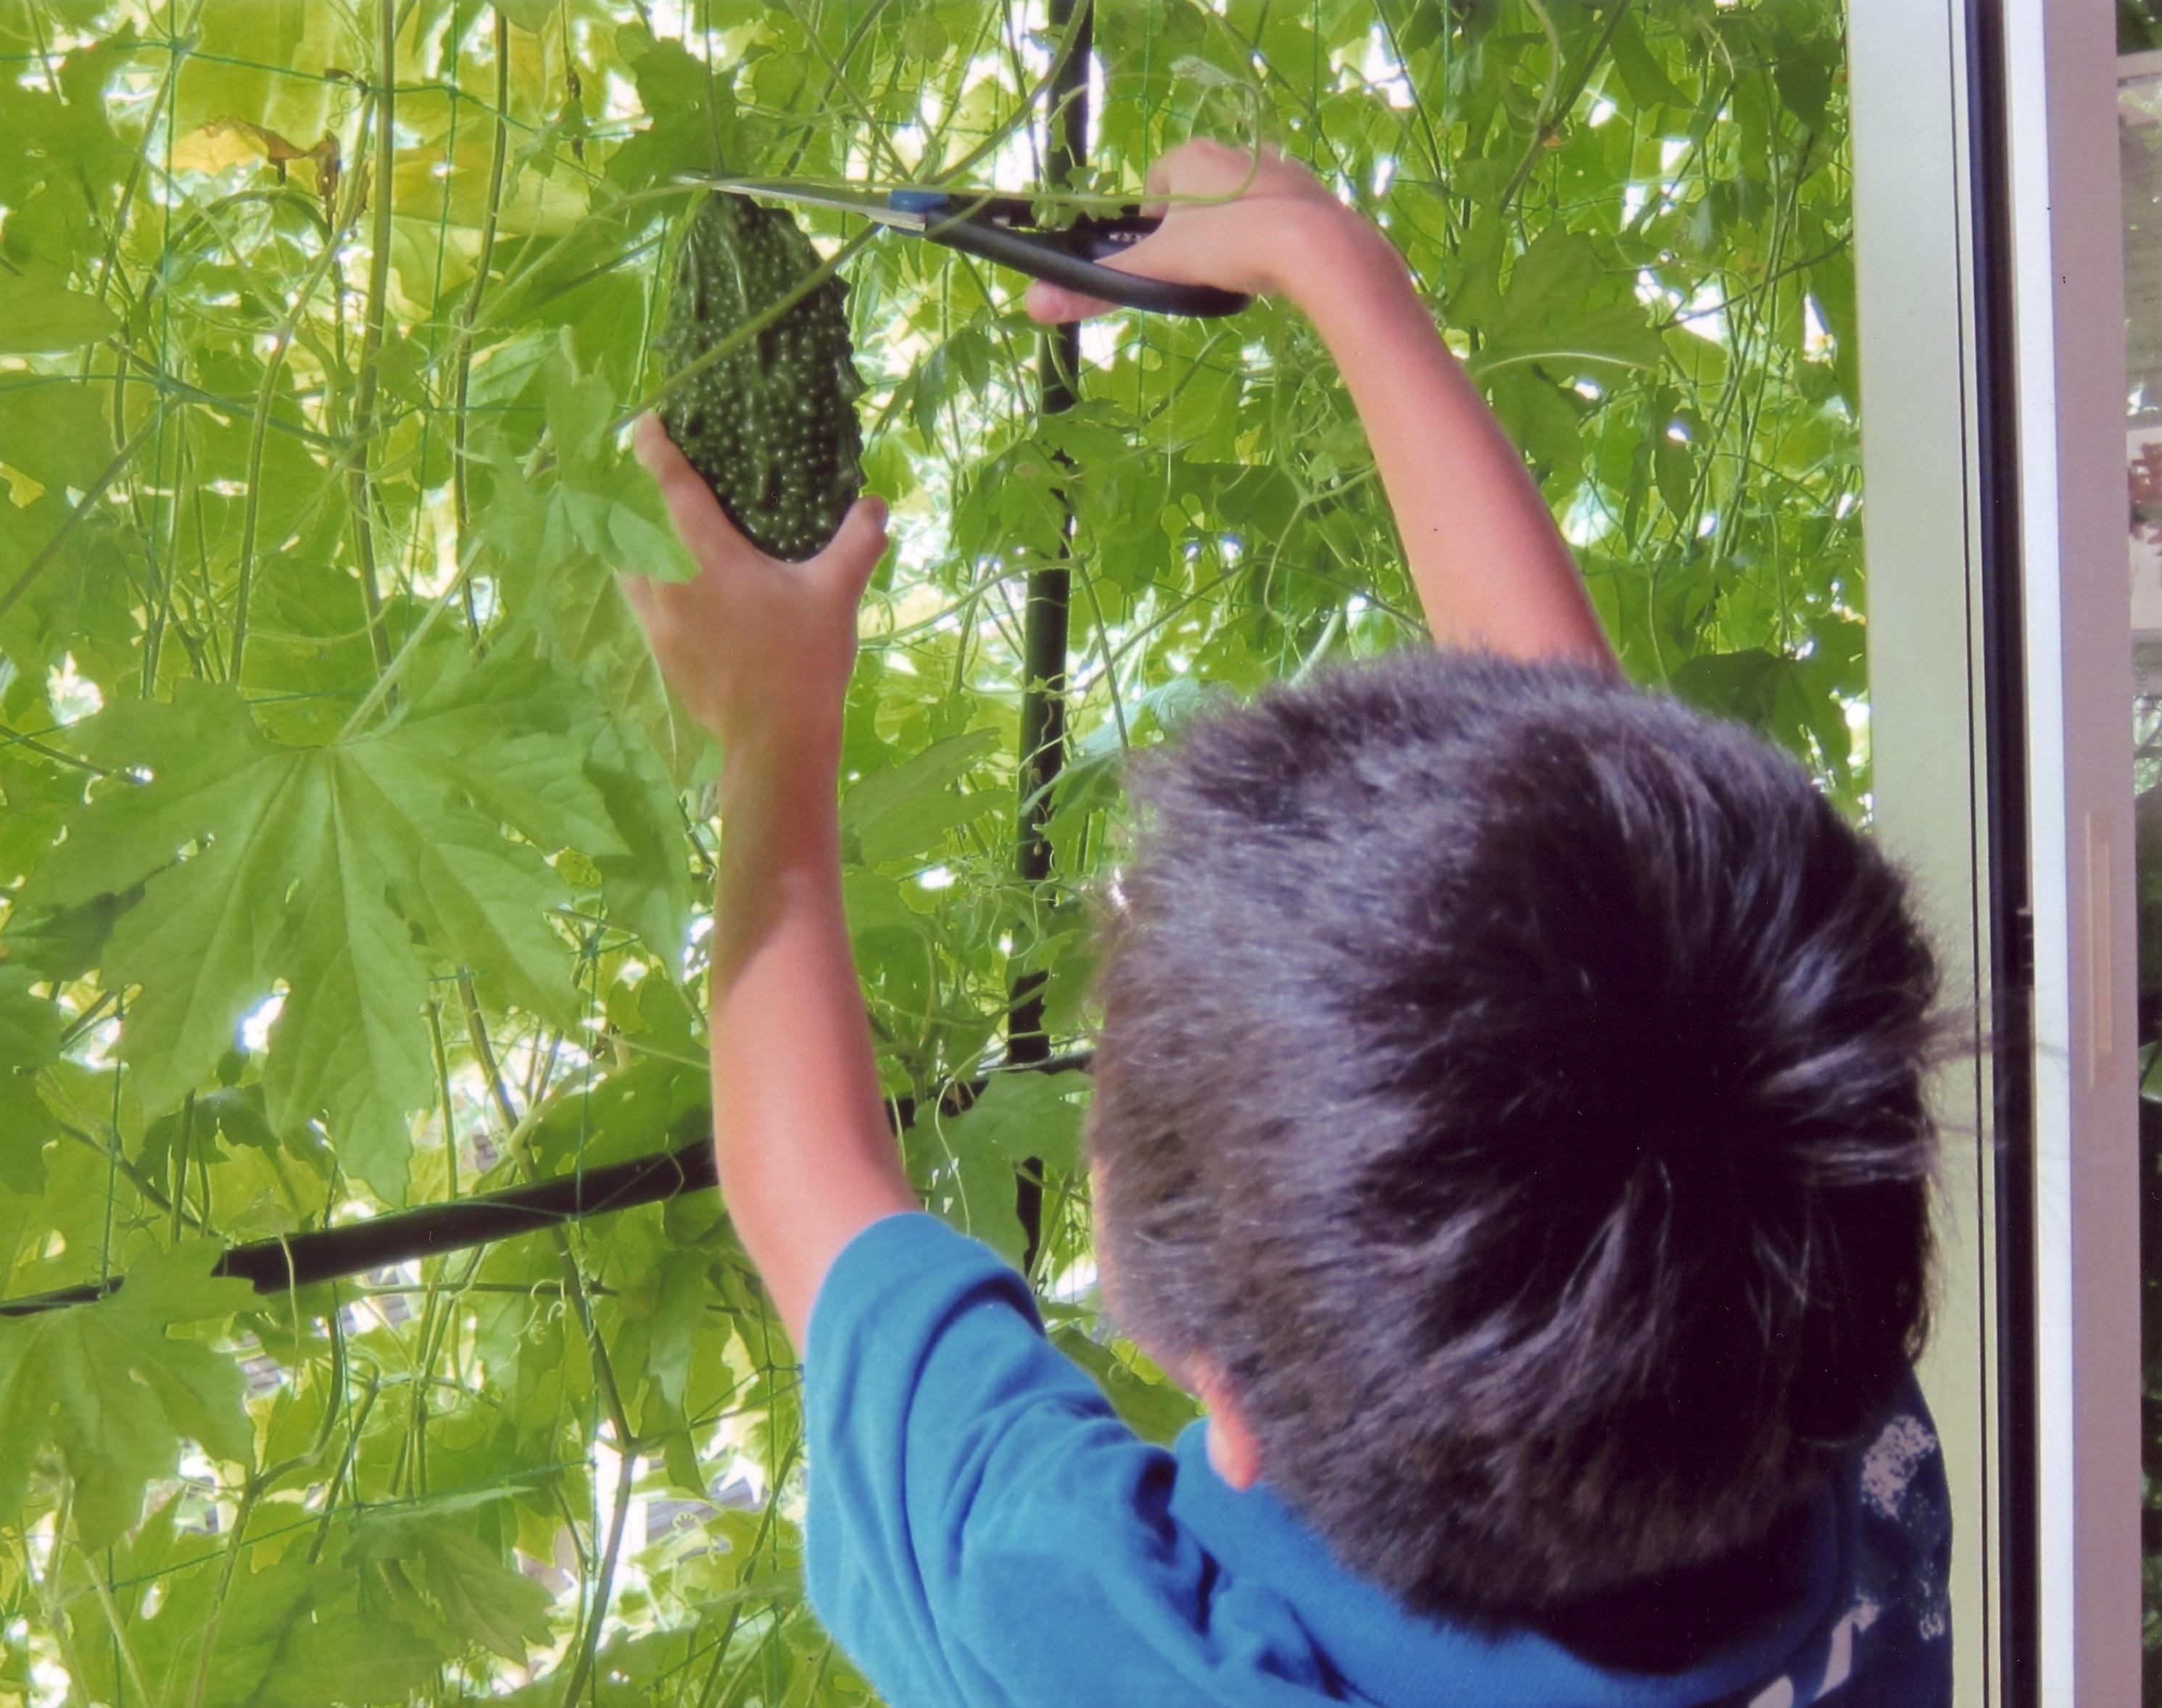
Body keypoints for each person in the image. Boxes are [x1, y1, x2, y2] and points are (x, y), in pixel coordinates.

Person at [620, 139, 1953, 1708]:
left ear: (1231, 1413)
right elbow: (1593, 836)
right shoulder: (1783, 1337)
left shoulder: (1138, 1650)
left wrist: (766, 725)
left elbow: (809, 1202)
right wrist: (1343, 278)